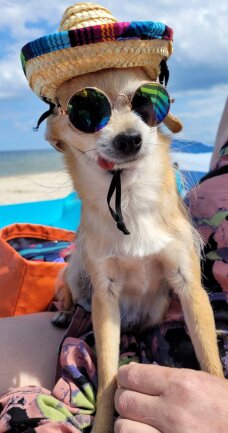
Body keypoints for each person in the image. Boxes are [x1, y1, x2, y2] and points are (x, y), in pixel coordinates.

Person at [0, 2, 227, 432]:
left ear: (163, 113)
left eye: (145, 104)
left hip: (177, 312)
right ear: (58, 135)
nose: (126, 129)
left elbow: (189, 292)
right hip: (102, 306)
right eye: (88, 113)